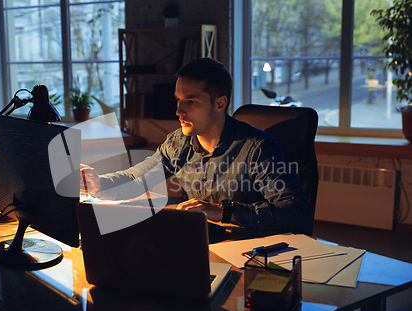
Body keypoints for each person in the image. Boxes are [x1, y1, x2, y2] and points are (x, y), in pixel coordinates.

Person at [81, 58, 313, 236]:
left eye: (190, 102)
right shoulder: (177, 143)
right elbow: (137, 178)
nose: (179, 111)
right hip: (199, 244)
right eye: (178, 100)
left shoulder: (257, 148)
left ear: (220, 103)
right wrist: (98, 183)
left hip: (248, 251)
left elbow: (298, 214)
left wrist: (225, 211)